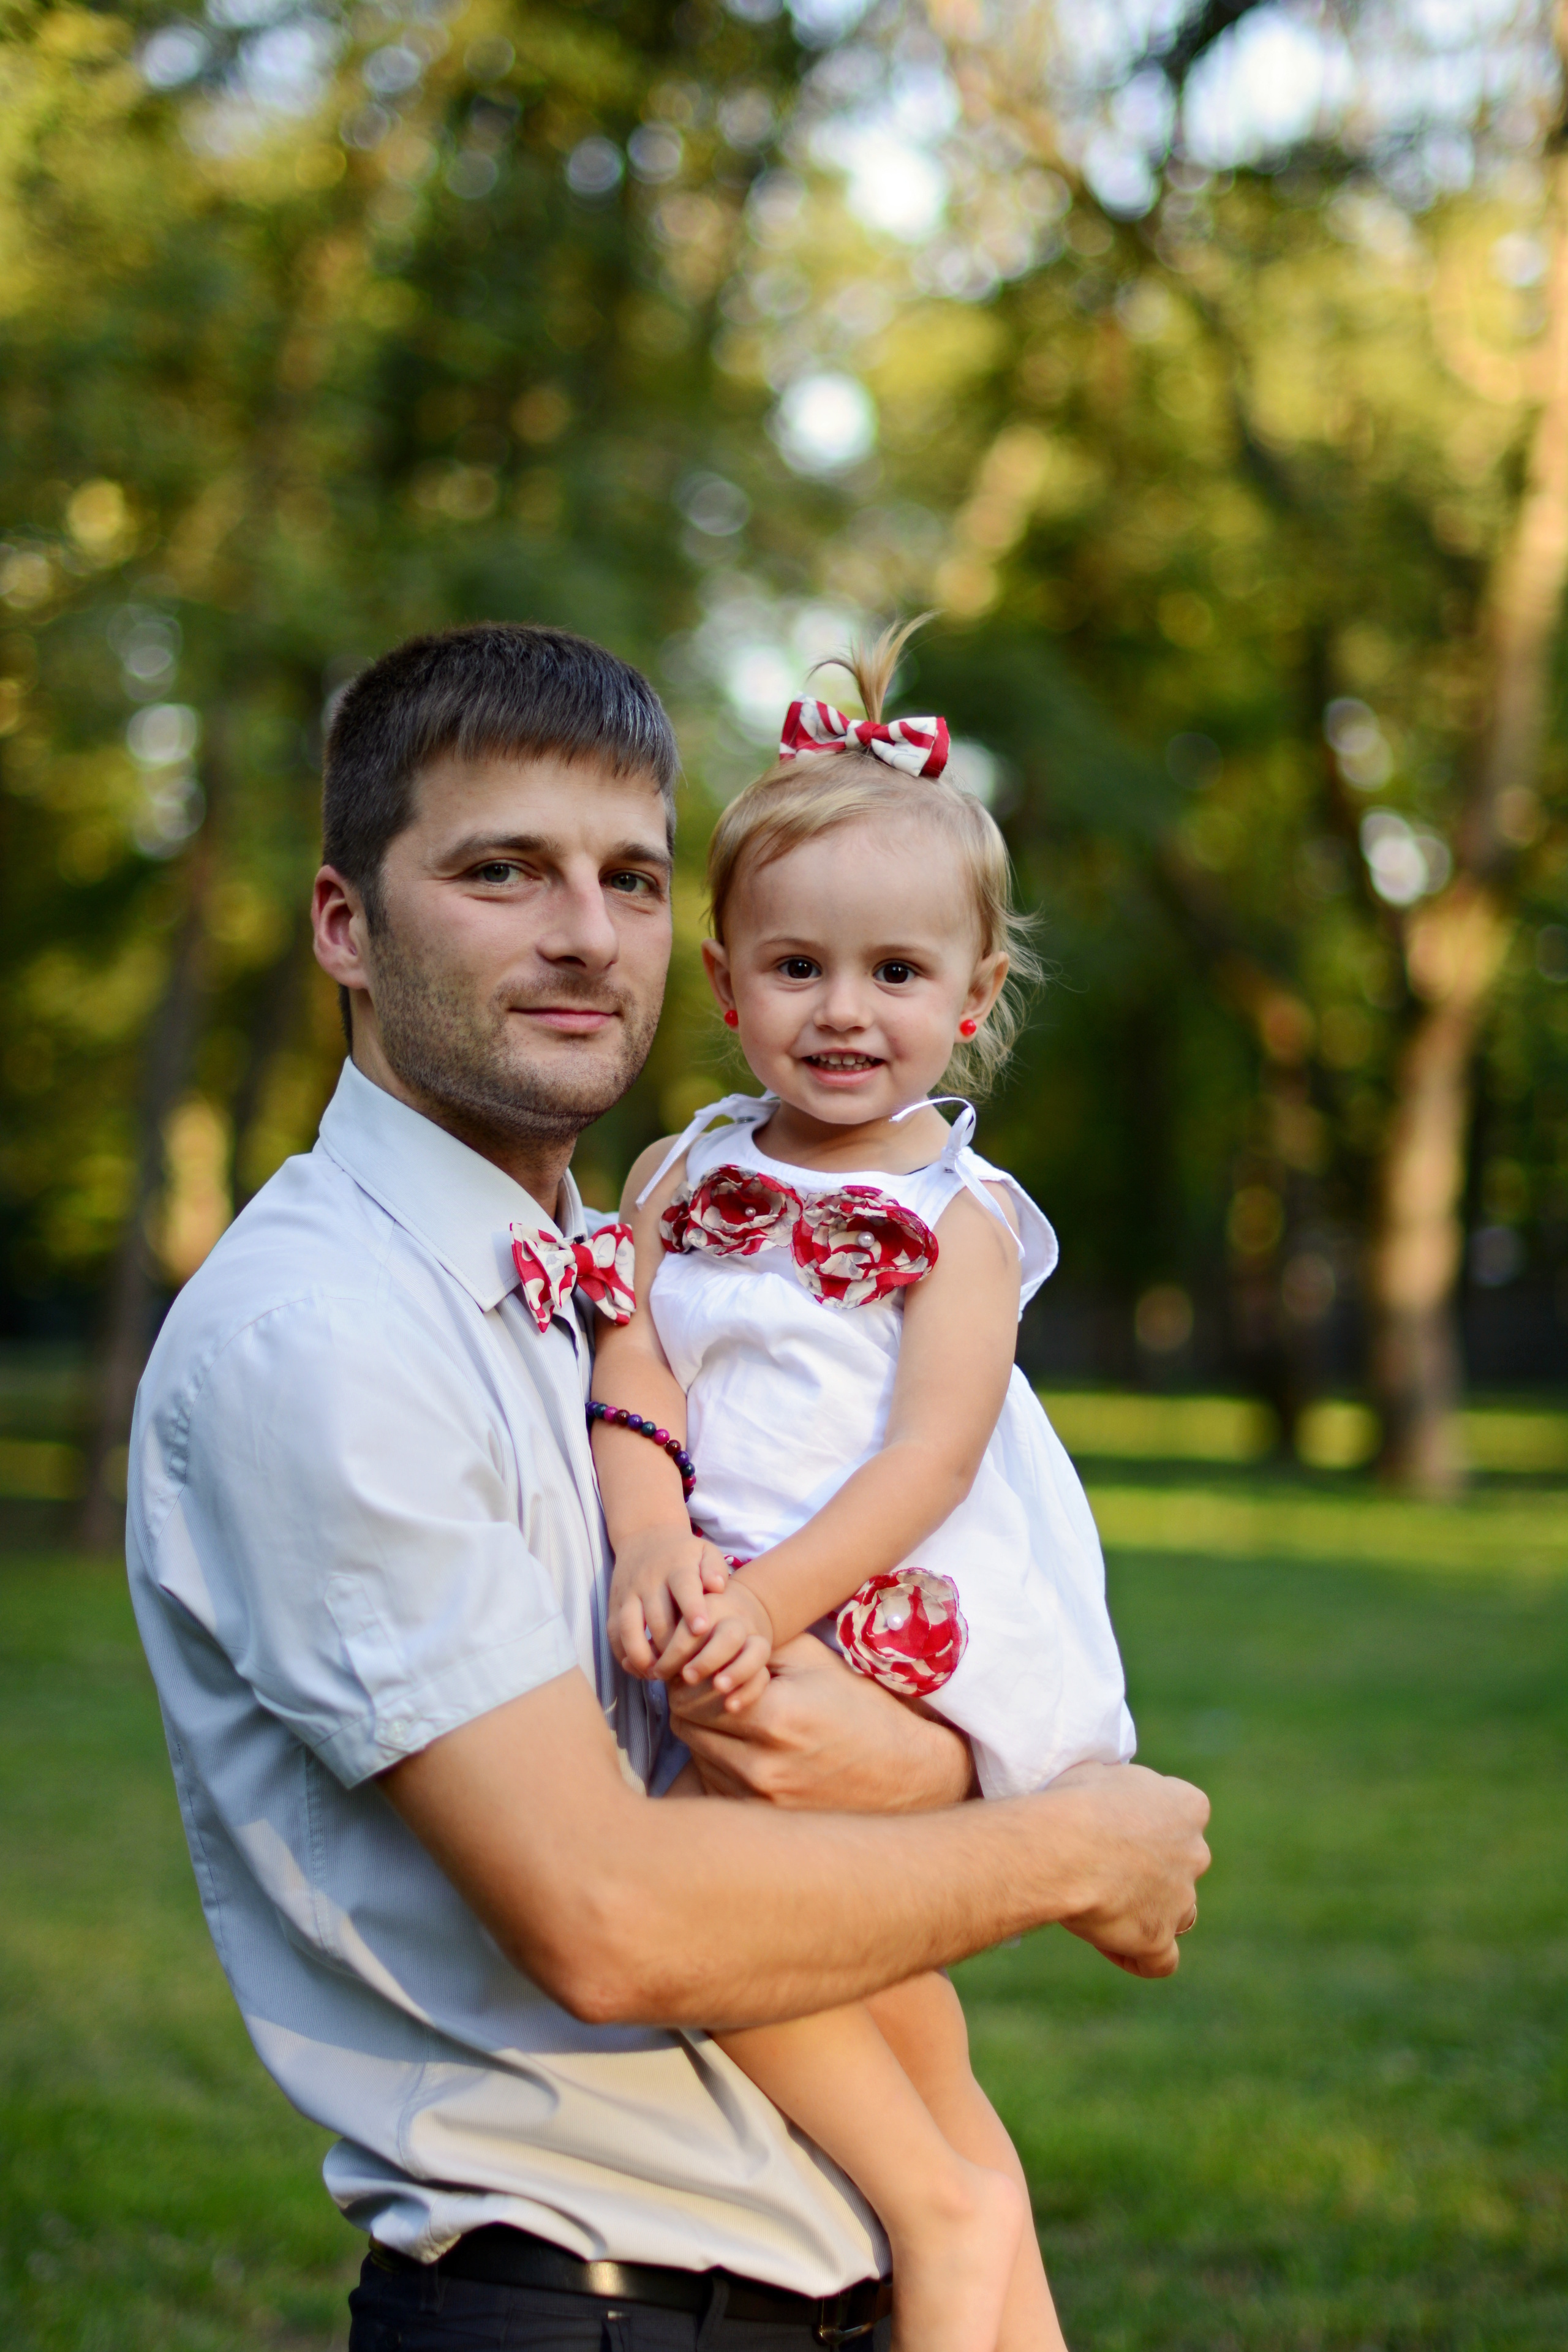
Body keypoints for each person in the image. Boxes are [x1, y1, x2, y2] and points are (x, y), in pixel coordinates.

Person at [124, 622, 1210, 2352]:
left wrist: (921, 1754)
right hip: (601, 2305)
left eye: (628, 875)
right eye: (502, 870)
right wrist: (1072, 1847)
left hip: (820, 2267)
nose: (582, 933)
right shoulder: (323, 1337)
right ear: (344, 921)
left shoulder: (620, 1274)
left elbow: (805, 1659)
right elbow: (610, 1913)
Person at [589, 623, 1133, 2352]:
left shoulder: (964, 1221)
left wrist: (764, 1603)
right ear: (726, 979)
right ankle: (982, 2232)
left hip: (859, 1606)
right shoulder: (683, 1162)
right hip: (705, 1575)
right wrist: (657, 1540)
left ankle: (931, 2214)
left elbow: (932, 1454)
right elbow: (631, 1361)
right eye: (800, 968)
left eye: (897, 975)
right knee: (901, 2002)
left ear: (972, 1002)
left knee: (719, 1872)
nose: (846, 1011)